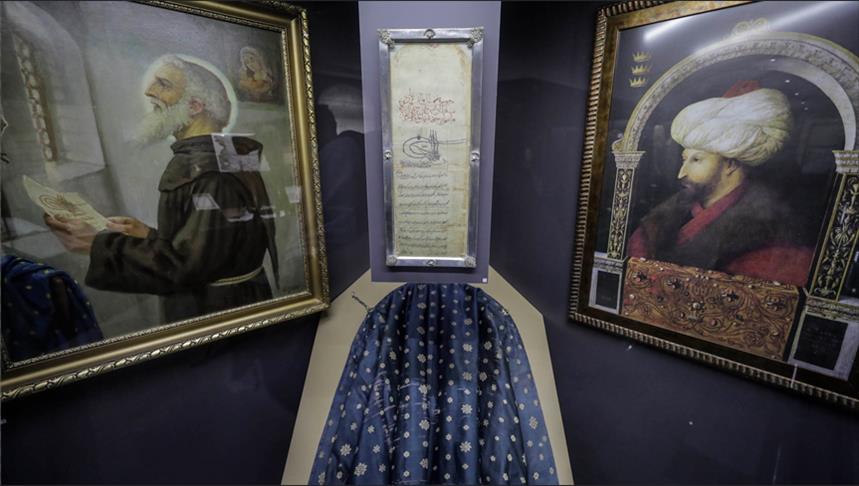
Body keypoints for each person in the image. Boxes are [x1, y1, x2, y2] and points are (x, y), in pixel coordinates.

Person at [45, 54, 278, 322]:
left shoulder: (211, 174)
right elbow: (209, 247)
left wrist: (99, 245)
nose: (149, 91)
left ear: (195, 105)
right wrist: (148, 235)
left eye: (163, 84)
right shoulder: (221, 155)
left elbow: (185, 266)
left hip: (216, 310)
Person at [627, 81, 814, 286]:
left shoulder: (774, 239)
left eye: (696, 160)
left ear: (730, 165)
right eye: (684, 159)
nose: (682, 173)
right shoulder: (667, 214)